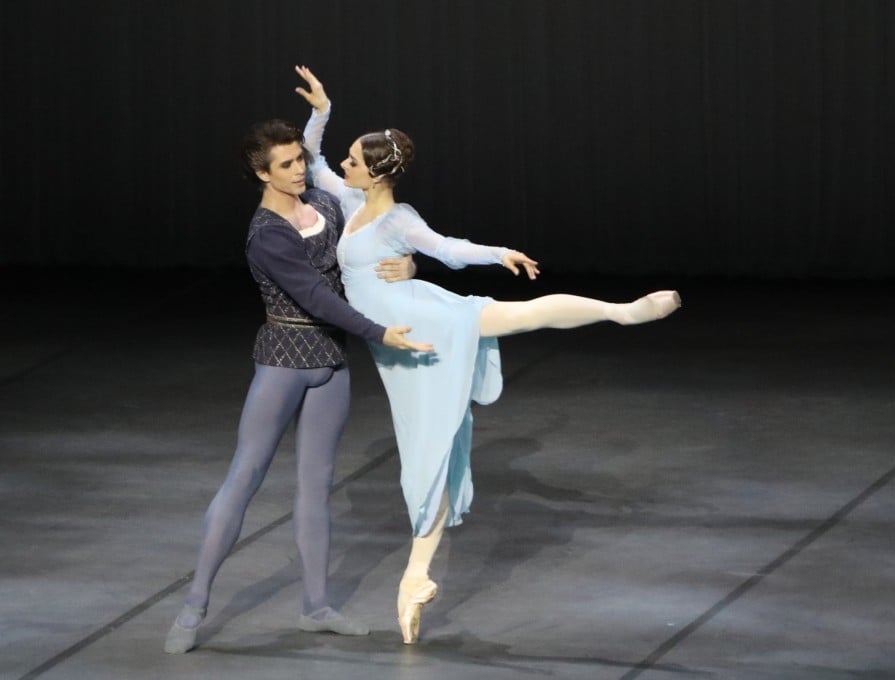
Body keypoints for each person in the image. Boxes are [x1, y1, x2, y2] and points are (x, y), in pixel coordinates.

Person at [294, 65, 681, 644]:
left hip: (425, 321)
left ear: (375, 174)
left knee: (516, 323)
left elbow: (448, 248)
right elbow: (311, 158)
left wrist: (499, 252)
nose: (343, 165)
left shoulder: (399, 218)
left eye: (354, 160)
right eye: (348, 158)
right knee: (430, 455)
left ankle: (620, 311)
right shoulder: (351, 199)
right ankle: (415, 579)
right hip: (401, 344)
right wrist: (323, 110)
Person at [164, 118, 432, 654]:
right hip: (285, 359)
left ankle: (316, 607)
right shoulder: (266, 236)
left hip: (330, 359)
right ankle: (194, 603)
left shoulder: (330, 207)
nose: (299, 169)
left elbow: (373, 241)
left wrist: (406, 262)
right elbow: (318, 297)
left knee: (317, 486)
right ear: (261, 172)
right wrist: (379, 332)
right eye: (286, 164)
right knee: (245, 477)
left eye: (300, 159)